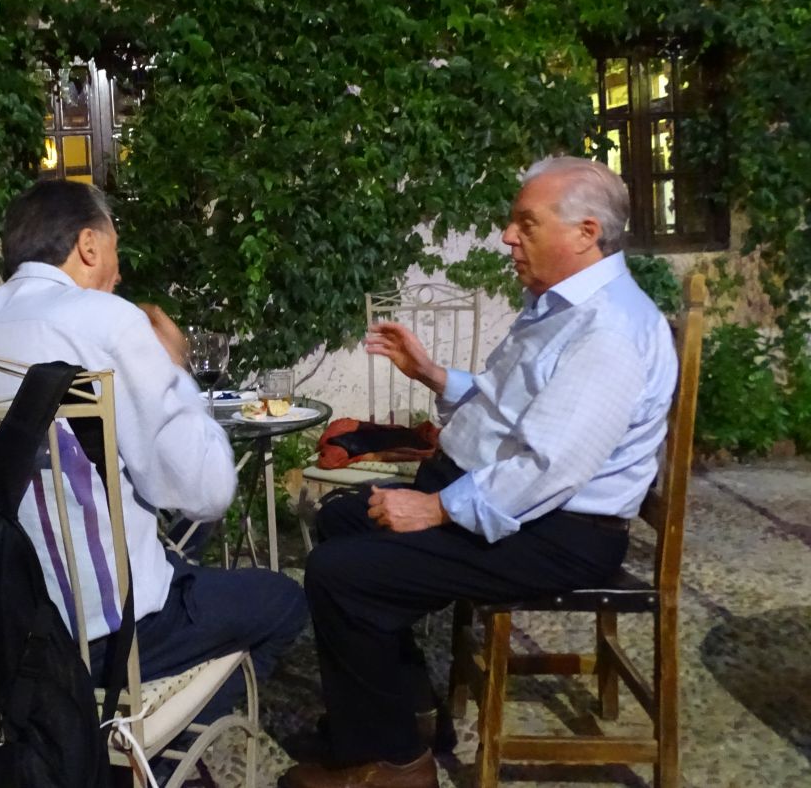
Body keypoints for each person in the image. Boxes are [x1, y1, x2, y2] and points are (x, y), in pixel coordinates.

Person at [280, 156, 678, 788]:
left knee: (340, 575)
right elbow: (512, 409)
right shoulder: (561, 306)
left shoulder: (610, 329)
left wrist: (437, 508)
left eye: (526, 222)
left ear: (586, 233)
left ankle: (393, 766)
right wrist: (435, 376)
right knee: (344, 519)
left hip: (556, 529)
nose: (507, 236)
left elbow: (548, 466)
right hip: (510, 498)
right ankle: (406, 710)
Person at [0, 180, 307, 718]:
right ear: (88, 245)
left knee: (170, 551)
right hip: (106, 637)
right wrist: (176, 370)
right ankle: (149, 740)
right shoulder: (106, 320)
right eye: (115, 250)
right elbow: (205, 492)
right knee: (286, 602)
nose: (120, 272)